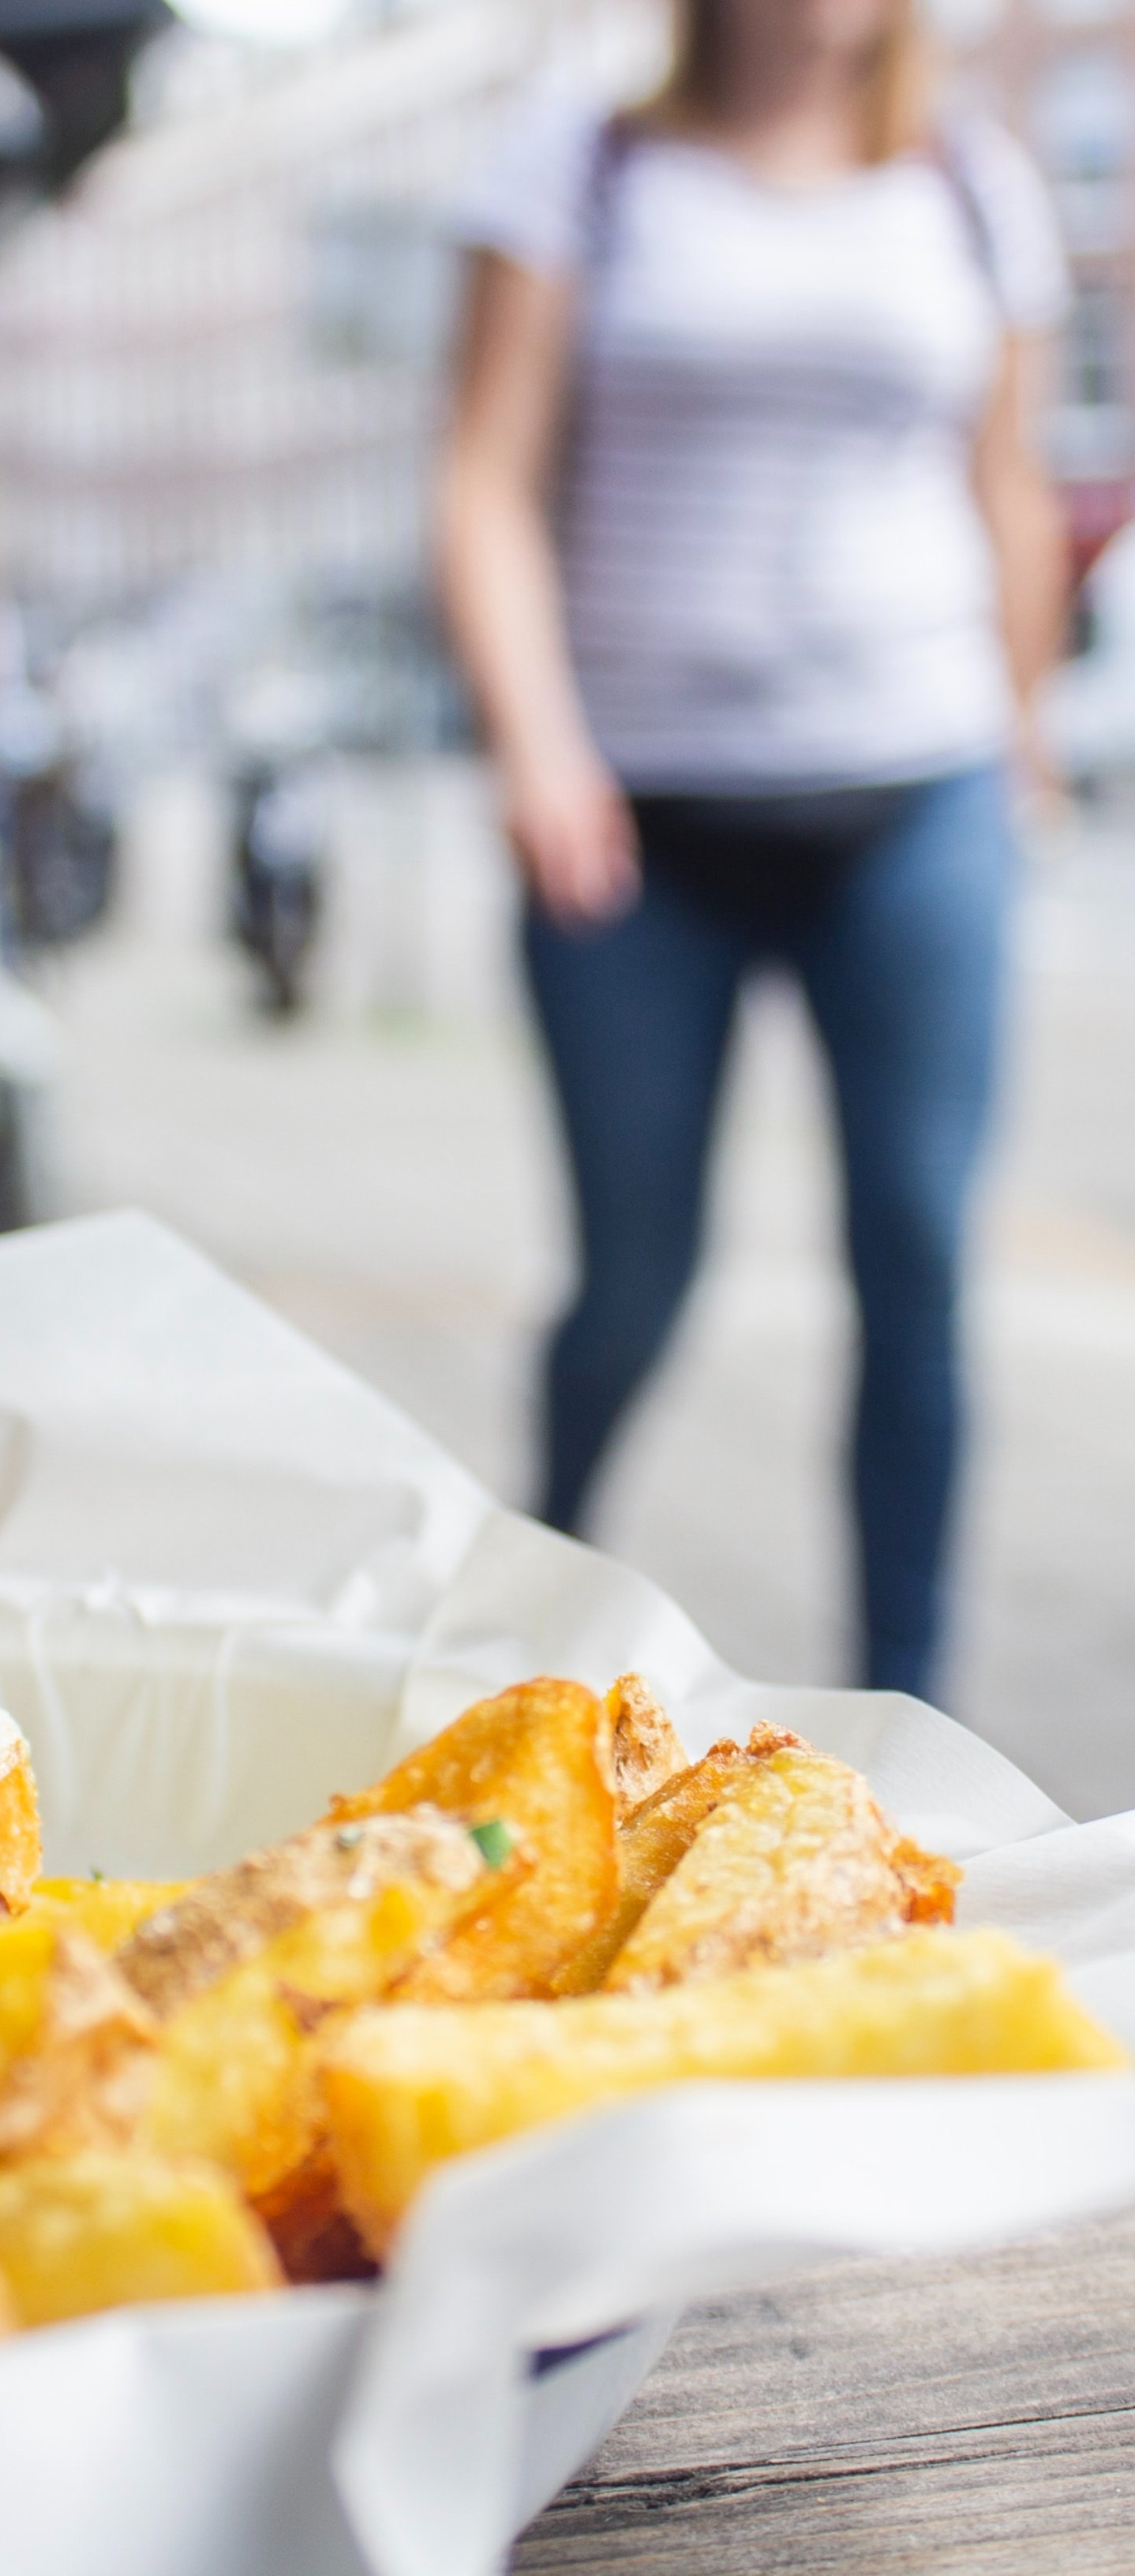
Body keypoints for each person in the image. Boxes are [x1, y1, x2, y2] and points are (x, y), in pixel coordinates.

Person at [436, 0, 1067, 1702]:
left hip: (916, 792)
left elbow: (1006, 480)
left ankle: (911, 1712)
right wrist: (539, 742)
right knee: (636, 1279)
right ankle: (527, 1621)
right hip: (636, 827)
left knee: (917, 1254)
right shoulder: (585, 159)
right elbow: (484, 480)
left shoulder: (970, 184)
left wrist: (1021, 733)